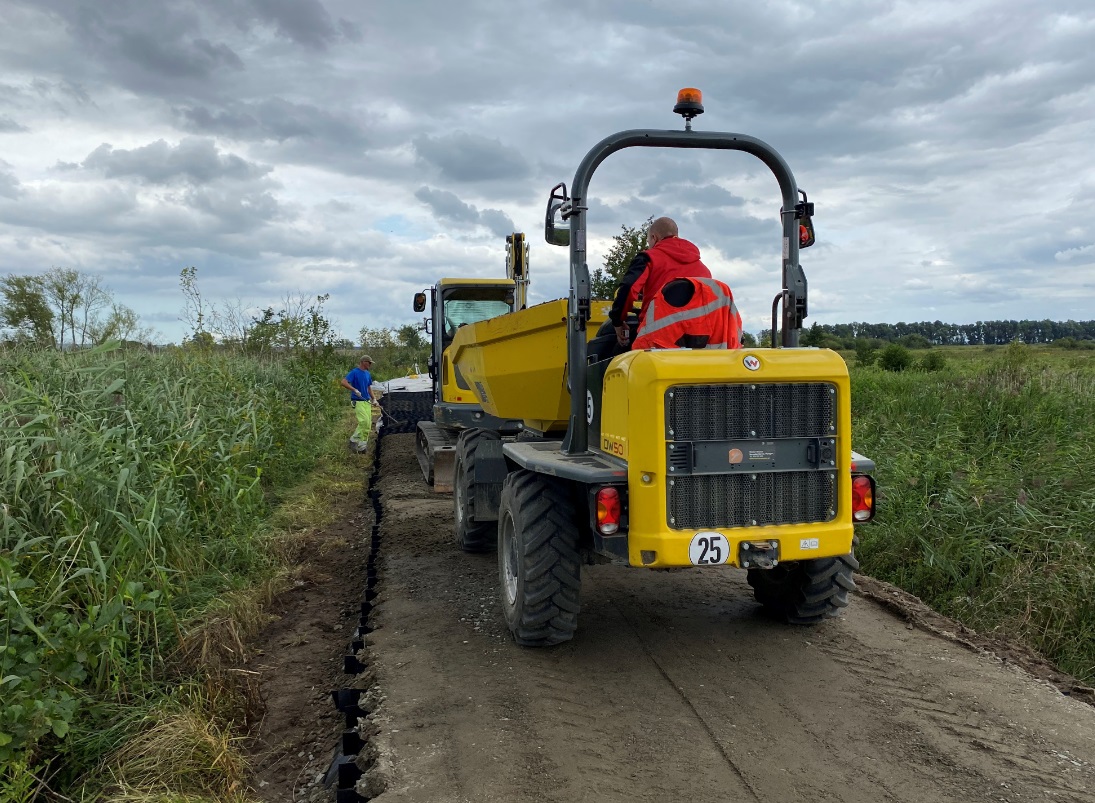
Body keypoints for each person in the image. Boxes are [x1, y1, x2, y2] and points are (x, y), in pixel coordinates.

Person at [608, 217, 713, 347]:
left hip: (657, 338)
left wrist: (617, 321)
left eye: (648, 241)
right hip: (698, 340)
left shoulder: (649, 258)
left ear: (654, 237)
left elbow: (629, 288)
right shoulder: (704, 269)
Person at [341, 355, 375, 451]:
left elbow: (369, 388)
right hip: (358, 401)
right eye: (369, 362)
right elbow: (343, 382)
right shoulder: (354, 372)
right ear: (364, 362)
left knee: (368, 424)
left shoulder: (367, 374)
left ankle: (362, 446)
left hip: (366, 401)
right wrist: (354, 389)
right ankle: (354, 439)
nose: (370, 364)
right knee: (363, 421)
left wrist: (374, 399)